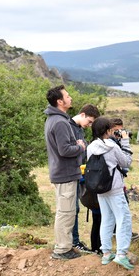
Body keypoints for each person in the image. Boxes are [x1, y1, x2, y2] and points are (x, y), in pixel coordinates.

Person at [45, 85, 87, 260]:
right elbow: (64, 150)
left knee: (65, 211)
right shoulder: (61, 122)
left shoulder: (54, 119)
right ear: (59, 101)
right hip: (65, 173)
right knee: (66, 212)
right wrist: (79, 146)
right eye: (67, 96)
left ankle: (65, 245)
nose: (70, 98)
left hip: (63, 172)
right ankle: (62, 249)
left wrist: (74, 144)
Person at [87, 117, 134, 270]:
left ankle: (106, 252)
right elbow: (126, 162)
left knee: (106, 219)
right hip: (114, 188)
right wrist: (125, 141)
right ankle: (121, 254)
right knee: (123, 219)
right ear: (108, 131)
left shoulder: (90, 147)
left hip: (99, 188)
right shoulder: (111, 147)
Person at [70, 104, 100, 252]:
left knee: (75, 207)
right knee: (71, 208)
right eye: (89, 121)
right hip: (69, 172)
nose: (89, 125)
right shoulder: (68, 127)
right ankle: (73, 241)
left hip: (78, 170)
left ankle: (75, 240)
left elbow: (83, 150)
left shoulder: (79, 129)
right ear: (83, 114)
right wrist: (81, 148)